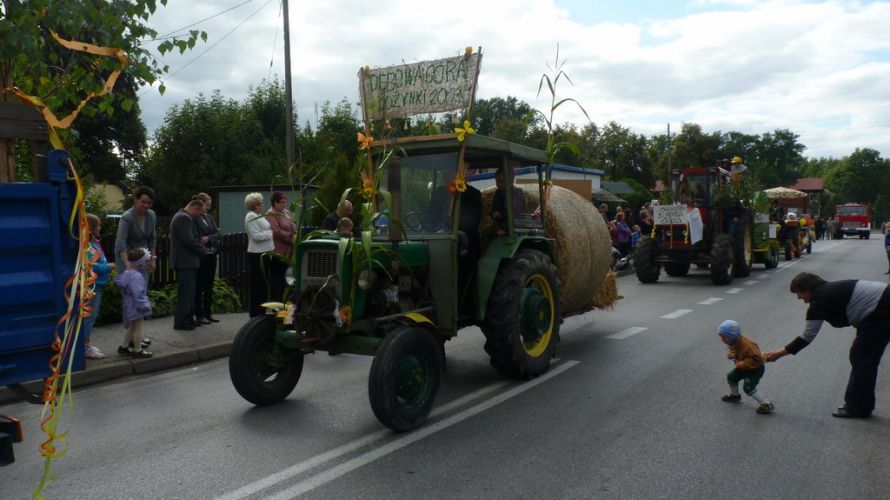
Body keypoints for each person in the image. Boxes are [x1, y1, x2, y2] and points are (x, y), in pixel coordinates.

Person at [765, 272, 890, 419]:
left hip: (884, 309)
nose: (799, 298)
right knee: (860, 356)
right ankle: (857, 403)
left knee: (863, 359)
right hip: (880, 309)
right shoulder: (829, 290)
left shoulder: (820, 300)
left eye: (798, 293)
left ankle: (859, 408)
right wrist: (859, 334)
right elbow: (861, 307)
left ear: (807, 289)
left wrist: (778, 354)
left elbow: (806, 337)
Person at [717, 320, 774, 414]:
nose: (722, 340)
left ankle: (767, 404)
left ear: (732, 336)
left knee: (748, 387)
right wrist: (731, 354)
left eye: (723, 337)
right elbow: (731, 350)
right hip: (743, 367)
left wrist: (742, 363)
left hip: (755, 369)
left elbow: (758, 359)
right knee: (731, 377)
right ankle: (735, 395)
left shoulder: (748, 345)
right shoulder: (734, 342)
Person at [170, 199, 208, 330]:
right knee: (187, 293)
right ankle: (183, 321)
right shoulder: (184, 218)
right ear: (195, 208)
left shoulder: (182, 216)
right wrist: (202, 250)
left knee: (187, 292)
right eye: (200, 213)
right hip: (185, 262)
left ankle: (185, 320)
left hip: (185, 262)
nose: (200, 216)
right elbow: (189, 240)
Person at [114, 248, 153, 358]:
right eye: (145, 261)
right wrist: (145, 306)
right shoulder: (137, 276)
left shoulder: (127, 273)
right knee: (138, 328)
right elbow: (138, 294)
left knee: (132, 326)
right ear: (140, 263)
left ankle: (124, 346)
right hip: (136, 306)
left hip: (129, 305)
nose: (146, 263)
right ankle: (138, 349)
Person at [114, 185, 157, 281]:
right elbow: (121, 243)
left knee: (142, 290)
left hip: (143, 259)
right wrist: (127, 264)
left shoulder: (152, 215)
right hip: (126, 260)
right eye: (143, 202)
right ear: (136, 200)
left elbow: (152, 239)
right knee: (131, 292)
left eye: (149, 203)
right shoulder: (126, 218)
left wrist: (153, 259)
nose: (146, 205)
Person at [83, 214, 111, 360]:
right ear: (91, 228)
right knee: (89, 316)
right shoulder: (88, 247)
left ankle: (86, 345)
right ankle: (85, 347)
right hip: (92, 286)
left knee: (91, 316)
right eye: (98, 225)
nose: (100, 227)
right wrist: (108, 267)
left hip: (97, 286)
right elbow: (91, 266)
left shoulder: (94, 244)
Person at [193, 193, 221, 325]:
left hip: (212, 254)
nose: (208, 208)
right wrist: (207, 238)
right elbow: (197, 237)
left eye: (209, 205)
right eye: (207, 205)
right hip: (202, 256)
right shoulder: (194, 218)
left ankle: (208, 313)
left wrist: (209, 238)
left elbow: (217, 233)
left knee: (209, 284)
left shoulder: (209, 218)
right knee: (200, 285)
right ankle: (199, 314)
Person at [245, 192, 274, 317]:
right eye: (260, 203)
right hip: (257, 254)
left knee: (263, 283)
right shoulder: (251, 217)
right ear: (254, 205)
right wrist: (270, 233)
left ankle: (261, 310)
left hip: (265, 252)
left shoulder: (259, 215)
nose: (262, 205)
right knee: (258, 284)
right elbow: (256, 236)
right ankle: (256, 312)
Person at [267, 191, 297, 304]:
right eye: (282, 202)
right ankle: (277, 305)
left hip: (289, 252)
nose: (284, 204)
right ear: (275, 203)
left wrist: (295, 233)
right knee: (277, 280)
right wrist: (291, 237)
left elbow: (293, 225)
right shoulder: (271, 214)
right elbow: (276, 231)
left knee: (287, 279)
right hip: (278, 252)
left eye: (285, 202)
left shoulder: (285, 212)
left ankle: (287, 304)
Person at [490, 167, 527, 236]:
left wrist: (505, 229)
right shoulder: (498, 192)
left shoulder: (516, 192)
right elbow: (493, 208)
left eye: (501, 181)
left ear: (511, 181)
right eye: (497, 181)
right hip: (500, 225)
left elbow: (516, 213)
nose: (498, 184)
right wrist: (493, 213)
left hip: (514, 227)